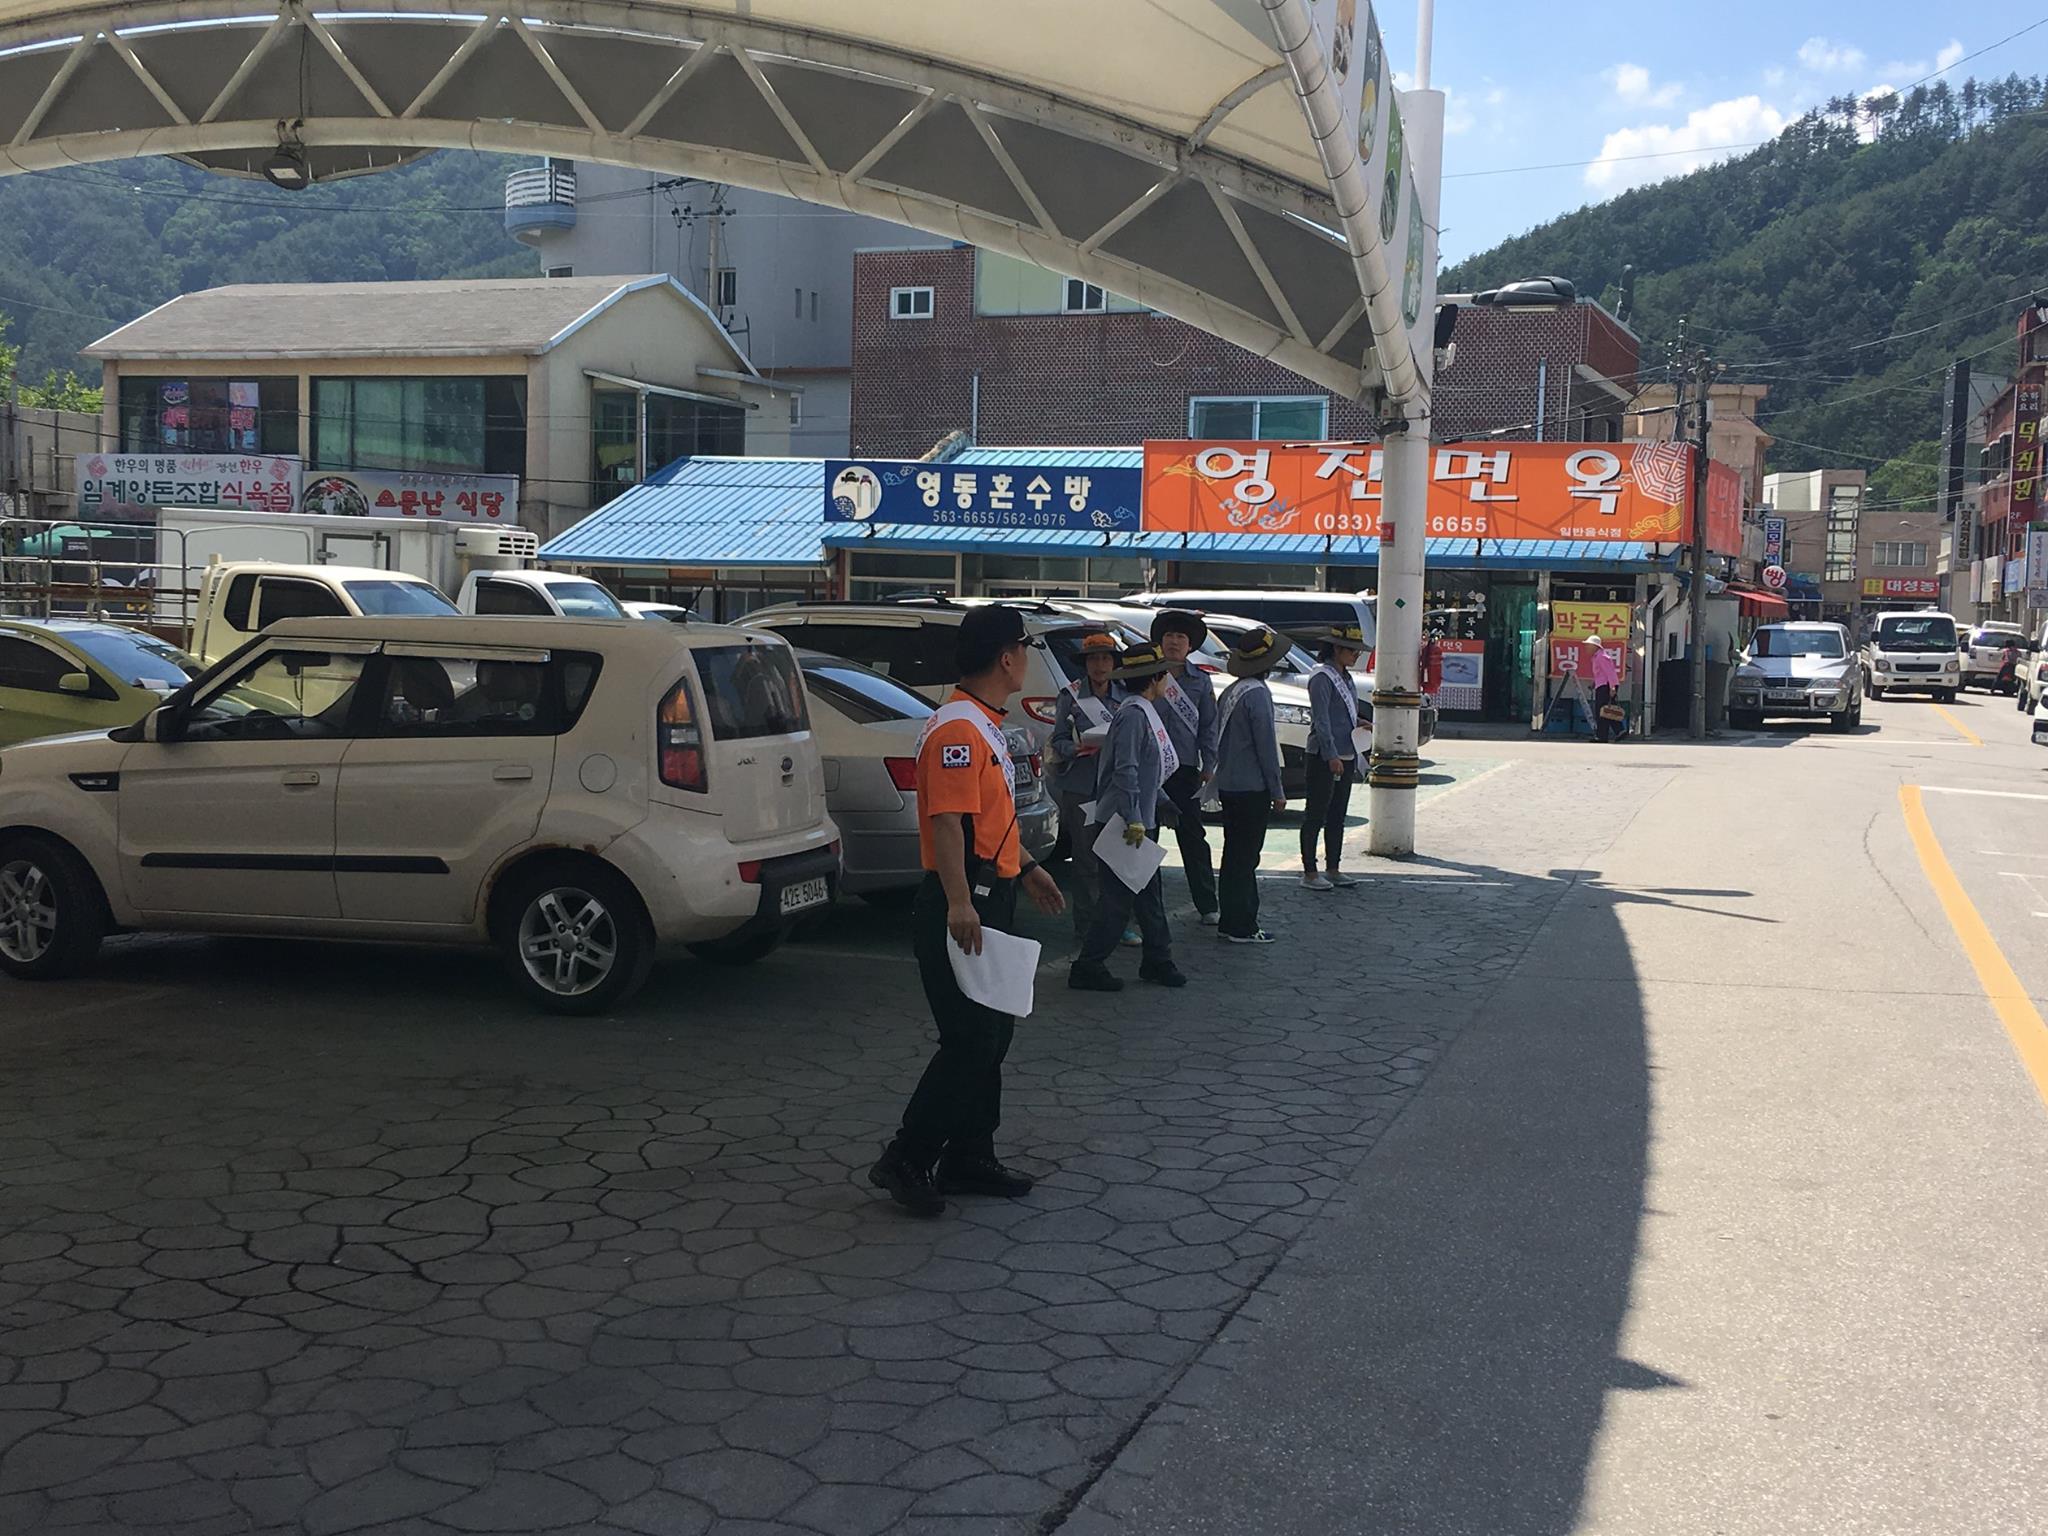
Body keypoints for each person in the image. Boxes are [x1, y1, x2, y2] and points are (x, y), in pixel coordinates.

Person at [869, 605, 1066, 1219]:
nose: (1027, 658)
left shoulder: (982, 722)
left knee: (993, 1032)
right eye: (1024, 648)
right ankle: (908, 1156)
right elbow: (947, 823)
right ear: (1006, 658)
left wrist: (1027, 868)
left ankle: (969, 1155)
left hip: (988, 891)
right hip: (964, 900)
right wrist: (959, 902)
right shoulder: (959, 730)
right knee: (970, 1038)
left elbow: (987, 819)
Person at [1069, 641, 1189, 993]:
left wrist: (1162, 801)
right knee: (1118, 900)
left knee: (1148, 895)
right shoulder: (1136, 715)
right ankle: (1089, 966)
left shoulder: (1140, 710)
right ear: (1155, 678)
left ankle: (1157, 960)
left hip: (1137, 818)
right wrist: (1135, 816)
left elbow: (1146, 771)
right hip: (1124, 822)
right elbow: (1127, 770)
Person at [1045, 630, 1127, 952]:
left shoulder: (1126, 694)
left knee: (1117, 857)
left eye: (1106, 658)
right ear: (1085, 663)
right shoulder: (1071, 695)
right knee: (1086, 859)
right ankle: (1088, 926)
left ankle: (1118, 923)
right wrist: (1075, 748)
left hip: (1116, 785)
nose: (1100, 665)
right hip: (1081, 786)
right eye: (1094, 659)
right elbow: (1058, 739)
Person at [1212, 625, 1289, 944]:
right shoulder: (1258, 694)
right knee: (1246, 858)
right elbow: (1266, 747)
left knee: (1233, 855)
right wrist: (1277, 790)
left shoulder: (1232, 691)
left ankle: (1229, 919)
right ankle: (1242, 924)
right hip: (1251, 787)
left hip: (1228, 783)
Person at [1149, 610, 1220, 926]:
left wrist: (1209, 764)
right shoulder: (1148, 675)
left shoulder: (1200, 681)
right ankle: (1145, 909)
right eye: (1169, 636)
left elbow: (1209, 725)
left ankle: (1207, 904)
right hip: (1149, 769)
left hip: (1185, 769)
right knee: (1145, 838)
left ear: (1190, 645)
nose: (1174, 642)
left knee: (1192, 837)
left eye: (1181, 637)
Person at [1302, 625, 1367, 891]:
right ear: (1337, 649)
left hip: (1347, 751)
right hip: (1323, 755)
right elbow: (1322, 720)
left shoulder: (1346, 677)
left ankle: (1333, 867)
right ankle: (1309, 871)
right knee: (1316, 814)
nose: (1356, 656)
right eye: (1352, 651)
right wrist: (1331, 755)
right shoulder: (1322, 677)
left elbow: (1341, 714)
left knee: (1338, 814)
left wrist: (1359, 723)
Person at [1590, 637, 1623, 742]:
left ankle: (1603, 736)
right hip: (1602, 685)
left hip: (1606, 685)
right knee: (1606, 710)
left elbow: (1610, 672)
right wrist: (1594, 683)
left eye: (1589, 645)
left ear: (1595, 646)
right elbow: (1600, 673)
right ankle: (1618, 731)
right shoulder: (1597, 656)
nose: (1587, 647)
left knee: (1603, 711)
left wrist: (1612, 687)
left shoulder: (1601, 656)